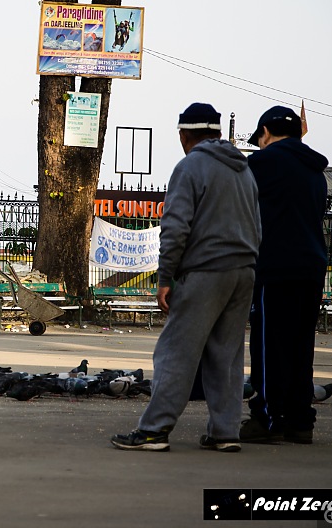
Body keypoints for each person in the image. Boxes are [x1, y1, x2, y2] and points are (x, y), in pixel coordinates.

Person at [111, 103, 261, 452]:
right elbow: (258, 224)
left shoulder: (190, 166)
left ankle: (154, 431)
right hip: (244, 271)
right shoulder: (244, 170)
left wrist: (165, 278)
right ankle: (225, 433)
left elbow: (175, 227)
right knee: (227, 355)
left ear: (184, 134)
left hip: (206, 271)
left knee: (176, 351)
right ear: (218, 132)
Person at [240, 106, 329, 444]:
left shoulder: (263, 164)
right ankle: (299, 420)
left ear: (265, 132)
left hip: (275, 267)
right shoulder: (315, 172)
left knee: (268, 344)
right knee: (300, 345)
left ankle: (265, 417)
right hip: (311, 268)